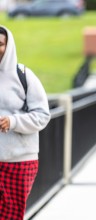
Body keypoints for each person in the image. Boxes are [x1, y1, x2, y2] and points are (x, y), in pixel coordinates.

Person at [0, 26, 51, 219]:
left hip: (19, 161)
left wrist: (12, 121)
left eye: (0, 44)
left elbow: (42, 115)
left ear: (9, 46)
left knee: (11, 216)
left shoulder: (24, 75)